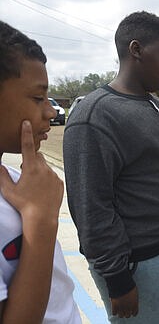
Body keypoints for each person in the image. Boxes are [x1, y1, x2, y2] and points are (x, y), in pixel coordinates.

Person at [64, 11, 159, 323]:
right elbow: (90, 207)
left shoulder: (156, 104)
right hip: (141, 264)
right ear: (135, 50)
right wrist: (117, 279)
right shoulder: (94, 116)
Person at [0, 21, 81, 323]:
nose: (50, 111)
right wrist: (41, 219)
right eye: (37, 98)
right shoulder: (33, 201)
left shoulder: (20, 183)